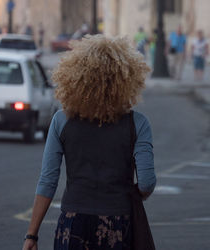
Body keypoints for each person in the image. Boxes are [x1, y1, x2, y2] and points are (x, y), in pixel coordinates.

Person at [22, 35, 156, 250]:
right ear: (126, 80)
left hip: (73, 223)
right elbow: (147, 182)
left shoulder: (61, 120)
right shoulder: (137, 124)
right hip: (117, 223)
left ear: (77, 77)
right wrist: (133, 194)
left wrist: (32, 235)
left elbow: (48, 180)